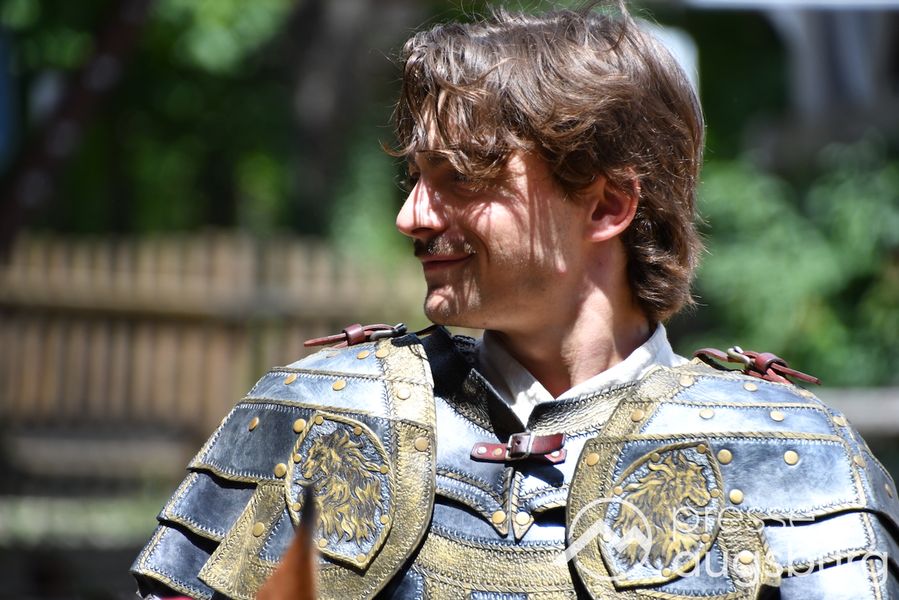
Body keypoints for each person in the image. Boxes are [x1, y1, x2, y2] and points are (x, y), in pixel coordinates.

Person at [131, 3, 899, 599]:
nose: (411, 216)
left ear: (606, 206)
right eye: (416, 177)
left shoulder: (790, 463)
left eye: (463, 177)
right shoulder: (322, 424)